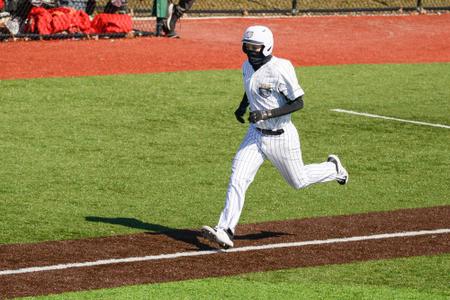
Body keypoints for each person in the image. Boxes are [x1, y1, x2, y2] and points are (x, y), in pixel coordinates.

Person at [201, 25, 349, 249]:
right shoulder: (247, 66)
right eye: (247, 47)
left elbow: (298, 102)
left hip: (281, 136)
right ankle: (225, 229)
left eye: (255, 48)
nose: (251, 52)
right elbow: (250, 88)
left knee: (298, 181)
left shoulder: (281, 68)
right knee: (238, 177)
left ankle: (333, 169)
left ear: (267, 47)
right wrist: (242, 107)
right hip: (255, 135)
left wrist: (267, 113)